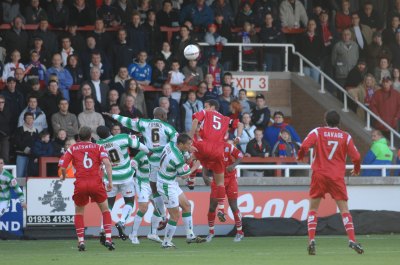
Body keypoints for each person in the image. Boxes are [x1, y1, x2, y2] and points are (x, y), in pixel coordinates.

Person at [297, 110, 364, 255]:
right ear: (339, 122)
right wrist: (357, 169)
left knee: (313, 209)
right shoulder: (346, 136)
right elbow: (357, 157)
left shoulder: (317, 132)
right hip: (336, 177)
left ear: (325, 120)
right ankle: (352, 240)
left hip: (319, 175)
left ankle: (312, 240)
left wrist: (301, 156)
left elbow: (303, 146)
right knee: (344, 210)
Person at [105, 107, 178, 231]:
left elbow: (127, 121)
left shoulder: (144, 123)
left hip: (153, 162)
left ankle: (163, 216)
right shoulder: (168, 127)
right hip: (165, 163)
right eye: (165, 115)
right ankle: (167, 215)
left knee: (155, 190)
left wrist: (114, 115)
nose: (166, 117)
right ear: (160, 115)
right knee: (167, 187)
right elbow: (176, 143)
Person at [59, 126, 114, 251]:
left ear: (79, 137)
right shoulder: (99, 147)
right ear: (91, 136)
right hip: (96, 183)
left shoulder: (73, 148)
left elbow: (63, 166)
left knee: (79, 212)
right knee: (105, 210)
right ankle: (109, 239)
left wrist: (63, 176)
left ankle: (81, 241)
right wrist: (110, 182)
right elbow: (107, 164)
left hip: (81, 184)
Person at [190, 99, 243, 221]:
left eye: (206, 105)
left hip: (206, 144)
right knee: (220, 183)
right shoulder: (225, 119)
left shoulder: (206, 112)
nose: (204, 107)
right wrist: (238, 137)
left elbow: (195, 120)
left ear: (212, 107)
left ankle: (192, 178)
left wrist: (190, 137)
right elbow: (240, 124)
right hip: (219, 149)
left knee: (192, 153)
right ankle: (221, 209)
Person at [96, 126, 150, 242]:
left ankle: (102, 228)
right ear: (110, 131)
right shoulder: (122, 138)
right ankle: (122, 222)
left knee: (108, 205)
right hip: (126, 177)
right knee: (129, 202)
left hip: (110, 178)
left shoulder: (98, 145)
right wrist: (148, 151)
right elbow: (140, 146)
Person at [157, 134, 205, 248]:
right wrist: (195, 166)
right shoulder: (176, 157)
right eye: (188, 144)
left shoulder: (171, 145)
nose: (190, 146)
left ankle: (190, 235)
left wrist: (189, 153)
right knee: (174, 215)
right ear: (181, 144)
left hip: (170, 182)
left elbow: (184, 159)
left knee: (187, 206)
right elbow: (184, 176)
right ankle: (166, 242)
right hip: (166, 185)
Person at [204, 141, 244, 242]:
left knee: (233, 205)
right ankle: (211, 232)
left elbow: (240, 155)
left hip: (231, 179)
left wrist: (233, 165)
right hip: (217, 179)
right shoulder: (210, 147)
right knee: (212, 206)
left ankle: (239, 232)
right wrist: (204, 175)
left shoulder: (228, 146)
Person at [14, 112, 39, 178]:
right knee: (20, 175)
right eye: (27, 118)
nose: (29, 119)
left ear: (33, 120)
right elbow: (17, 142)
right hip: (21, 155)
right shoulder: (19, 129)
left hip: (31, 156)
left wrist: (34, 152)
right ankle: (19, 188)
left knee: (28, 176)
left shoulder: (36, 130)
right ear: (24, 119)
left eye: (31, 118)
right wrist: (26, 149)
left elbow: (37, 143)